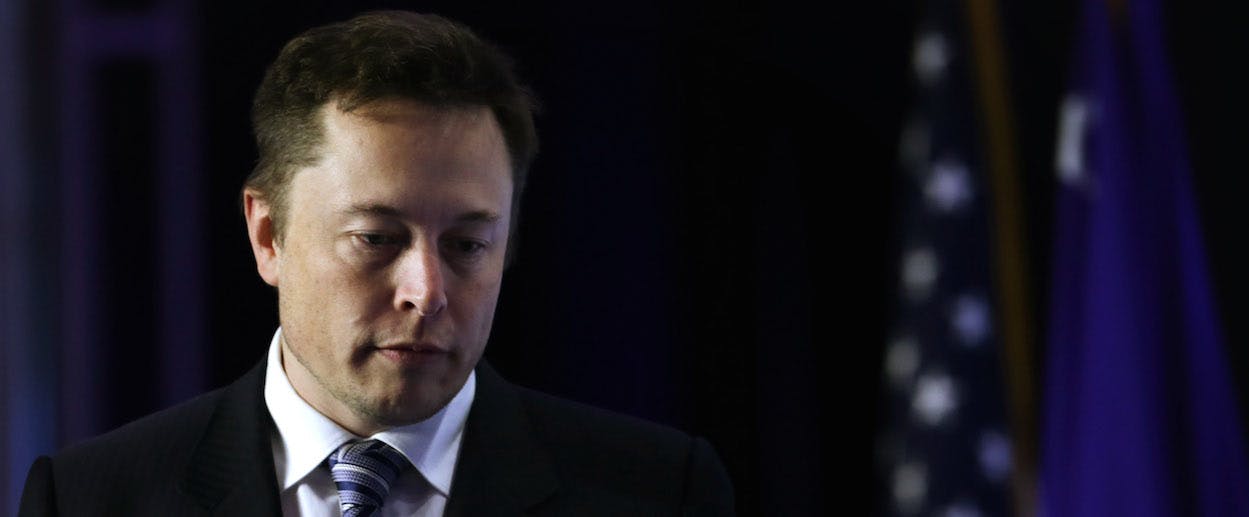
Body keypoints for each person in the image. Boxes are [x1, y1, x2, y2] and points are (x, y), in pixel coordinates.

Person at [18, 10, 734, 517]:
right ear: (268, 236)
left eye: (466, 245)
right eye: (376, 238)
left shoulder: (658, 492)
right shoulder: (90, 499)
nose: (427, 292)